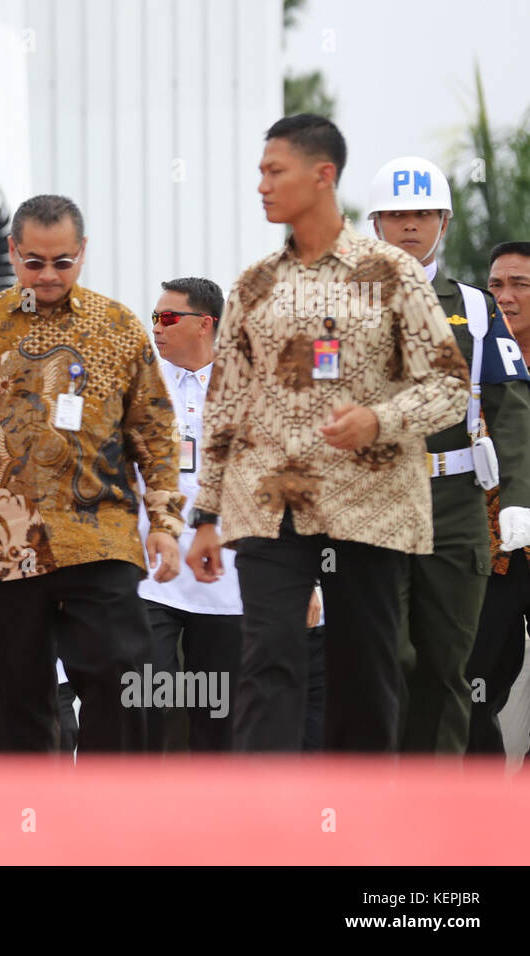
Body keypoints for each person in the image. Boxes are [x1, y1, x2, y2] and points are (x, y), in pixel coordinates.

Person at [186, 115, 470, 752]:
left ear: (323, 177)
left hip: (367, 507)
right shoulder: (253, 285)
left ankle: (359, 824)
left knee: (366, 669)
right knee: (268, 664)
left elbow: (450, 387)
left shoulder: (394, 275)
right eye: (260, 171)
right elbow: (224, 405)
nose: (261, 185)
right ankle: (267, 828)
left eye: (274, 171)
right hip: (268, 506)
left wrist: (380, 419)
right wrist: (204, 512)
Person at [0, 194, 184, 753]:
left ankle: (106, 819)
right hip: (0, 547)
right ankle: (32, 824)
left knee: (119, 672)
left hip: (99, 538)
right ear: (13, 253)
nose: (48, 275)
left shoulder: (116, 327)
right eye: (34, 261)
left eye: (62, 261)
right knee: (16, 702)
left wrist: (163, 518)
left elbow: (154, 429)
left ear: (82, 253)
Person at [368, 158, 530, 753]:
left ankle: (435, 815)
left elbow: (512, 409)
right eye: (398, 214)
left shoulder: (477, 308)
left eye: (423, 214)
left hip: (456, 505)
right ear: (377, 223)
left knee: (446, 662)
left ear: (444, 221)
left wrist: (516, 498)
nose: (411, 226)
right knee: (391, 655)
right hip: (378, 501)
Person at [139, 277, 243, 751]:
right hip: (152, 576)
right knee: (147, 701)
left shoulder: (247, 386)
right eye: (154, 317)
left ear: (205, 324)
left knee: (218, 716)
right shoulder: (141, 384)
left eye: (167, 318)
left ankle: (213, 817)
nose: (155, 328)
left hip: (226, 579)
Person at [468, 241, 530, 758]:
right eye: (495, 286)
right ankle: (478, 818)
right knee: (473, 685)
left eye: (520, 285)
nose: (505, 297)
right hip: (493, 557)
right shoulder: (470, 361)